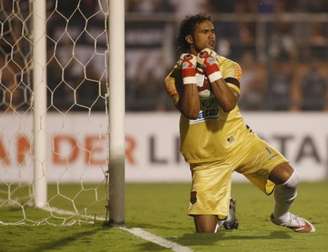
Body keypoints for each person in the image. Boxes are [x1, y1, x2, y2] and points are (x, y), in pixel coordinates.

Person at [164, 14, 315, 233]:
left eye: (213, 31)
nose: (211, 36)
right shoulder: (173, 77)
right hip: (207, 158)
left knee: (288, 178)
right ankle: (226, 213)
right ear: (189, 38)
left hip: (239, 143)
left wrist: (211, 68)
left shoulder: (228, 66)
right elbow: (191, 111)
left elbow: (227, 102)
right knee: (205, 234)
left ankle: (282, 216)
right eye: (205, 32)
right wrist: (188, 75)